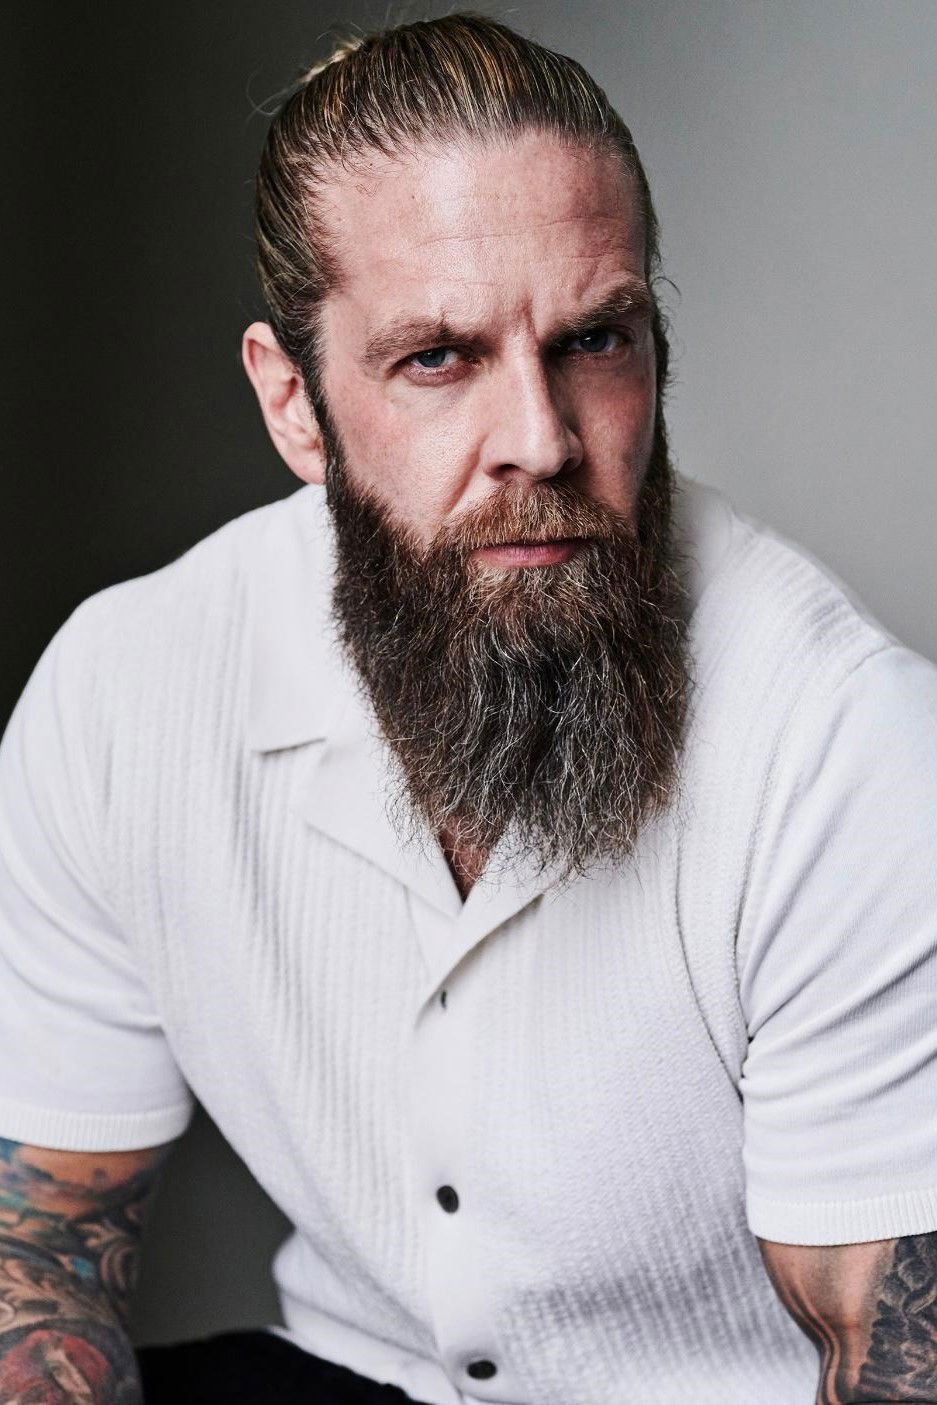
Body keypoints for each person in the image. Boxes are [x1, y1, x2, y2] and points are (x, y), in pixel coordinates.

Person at [2, 12, 937, 1404]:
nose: (542, 441)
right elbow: (40, 1252)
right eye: (437, 358)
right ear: (294, 404)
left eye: (594, 340)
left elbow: (899, 1361)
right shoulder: (124, 693)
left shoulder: (845, 746)